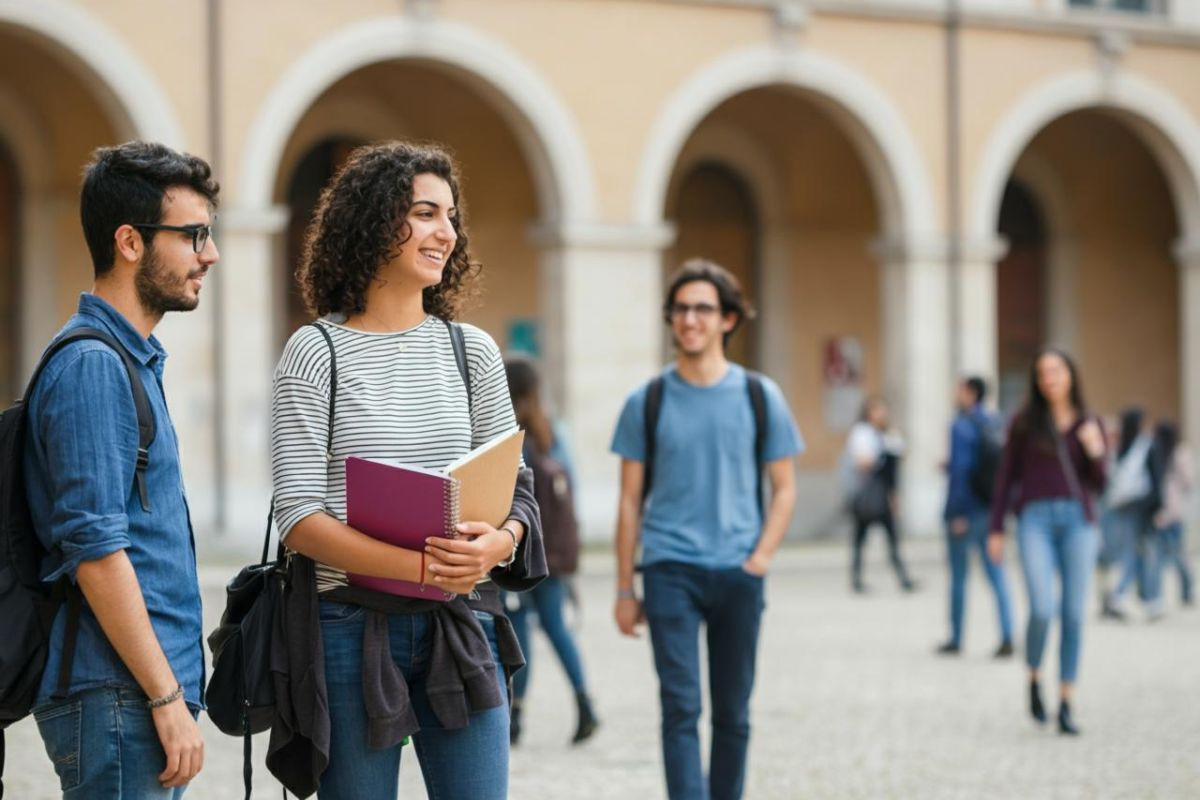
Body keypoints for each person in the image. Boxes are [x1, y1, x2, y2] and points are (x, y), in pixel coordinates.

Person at [270, 142, 545, 800]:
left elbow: (519, 489)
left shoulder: (470, 350)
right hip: (347, 629)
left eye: (450, 217)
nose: (446, 233)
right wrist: (421, 568)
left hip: (462, 622)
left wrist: (499, 543)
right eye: (425, 213)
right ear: (371, 220)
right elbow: (299, 517)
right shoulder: (315, 352)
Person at [24, 142, 218, 797]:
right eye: (193, 236)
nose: (209, 254)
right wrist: (165, 697)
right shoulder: (94, 366)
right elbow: (95, 549)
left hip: (131, 695)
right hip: (118, 696)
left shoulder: (129, 360)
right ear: (130, 241)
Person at [610, 259, 804, 800]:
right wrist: (625, 588)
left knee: (734, 713)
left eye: (703, 308)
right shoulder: (645, 401)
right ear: (670, 318)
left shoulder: (760, 396)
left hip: (739, 572)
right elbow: (628, 502)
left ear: (728, 319)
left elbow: (785, 488)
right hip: (670, 569)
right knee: (681, 707)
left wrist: (760, 558)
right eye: (681, 308)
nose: (690, 319)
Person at [987, 348, 1107, 736]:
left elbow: (1101, 483)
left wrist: (1096, 451)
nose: (1049, 378)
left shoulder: (1090, 422)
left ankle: (1067, 701)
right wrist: (996, 529)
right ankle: (1035, 675)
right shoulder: (1024, 423)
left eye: (1055, 370)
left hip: (1079, 522)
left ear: (1070, 374)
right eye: (1042, 373)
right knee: (1041, 608)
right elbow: (1005, 478)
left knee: (1073, 614)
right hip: (1035, 520)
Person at [503, 355, 598, 746]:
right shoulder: (553, 433)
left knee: (521, 627)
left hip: (519, 548)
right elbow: (570, 489)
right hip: (553, 553)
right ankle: (584, 702)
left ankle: (516, 715)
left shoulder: (507, 433)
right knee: (557, 627)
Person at [937, 376, 1014, 657]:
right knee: (997, 573)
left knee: (959, 576)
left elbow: (961, 470)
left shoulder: (961, 425)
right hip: (991, 508)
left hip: (966, 509)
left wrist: (956, 512)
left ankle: (956, 638)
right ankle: (1007, 633)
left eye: (958, 389)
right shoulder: (996, 422)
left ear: (970, 393)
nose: (954, 393)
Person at [841, 396, 916, 593]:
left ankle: (903, 577)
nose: (881, 414)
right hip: (865, 493)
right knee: (860, 537)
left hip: (883, 493)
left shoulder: (888, 434)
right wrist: (882, 454)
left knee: (892, 537)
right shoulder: (862, 434)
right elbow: (861, 462)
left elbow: (895, 469)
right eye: (877, 410)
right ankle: (856, 579)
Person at [1102, 407, 1157, 619]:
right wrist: (1157, 508)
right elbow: (1155, 479)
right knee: (1137, 553)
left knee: (1129, 553)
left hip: (1119, 504)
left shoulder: (1120, 446)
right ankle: (1120, 595)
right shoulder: (1144, 446)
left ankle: (1146, 598)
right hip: (1139, 507)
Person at [1147, 421, 1194, 610]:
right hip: (1173, 511)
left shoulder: (1155, 452)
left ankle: (1157, 596)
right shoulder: (1180, 453)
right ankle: (1186, 590)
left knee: (1158, 556)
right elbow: (1188, 482)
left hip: (1158, 510)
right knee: (1177, 553)